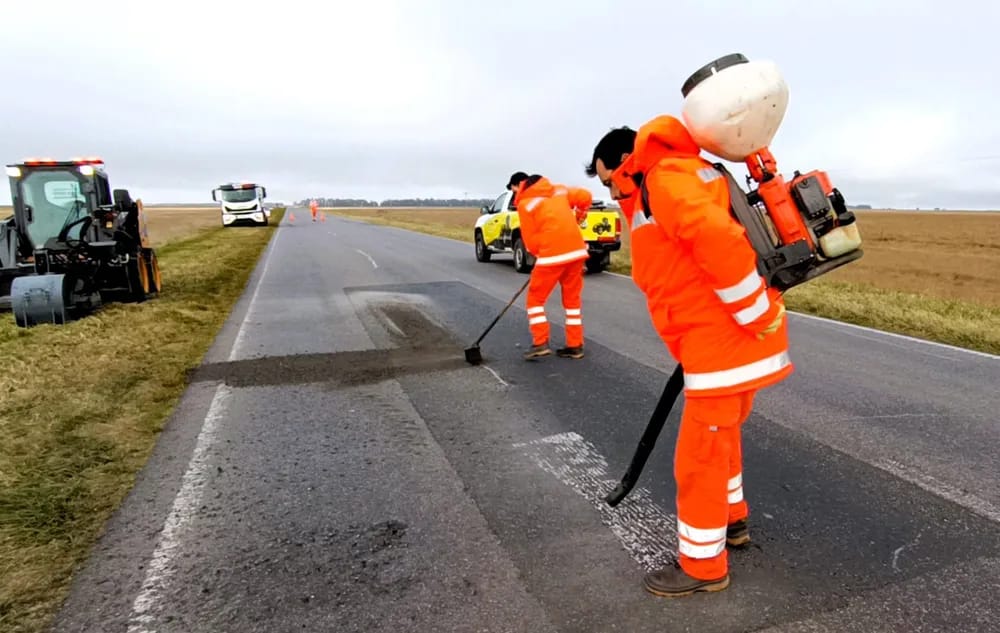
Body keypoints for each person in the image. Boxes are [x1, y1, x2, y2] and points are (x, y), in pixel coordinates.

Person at [585, 116, 792, 597]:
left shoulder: (664, 179)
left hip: (727, 342)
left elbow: (716, 240)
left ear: (625, 163)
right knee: (723, 440)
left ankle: (702, 567)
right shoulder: (670, 178)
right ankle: (733, 521)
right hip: (724, 343)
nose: (611, 194)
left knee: (699, 457)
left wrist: (754, 311)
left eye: (610, 180)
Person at [510, 173, 593, 360]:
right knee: (572, 302)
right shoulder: (560, 190)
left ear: (521, 187)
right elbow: (586, 196)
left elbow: (530, 241)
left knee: (535, 300)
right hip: (577, 252)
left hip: (551, 256)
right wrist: (579, 215)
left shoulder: (526, 204)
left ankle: (540, 343)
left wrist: (541, 256)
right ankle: (575, 345)